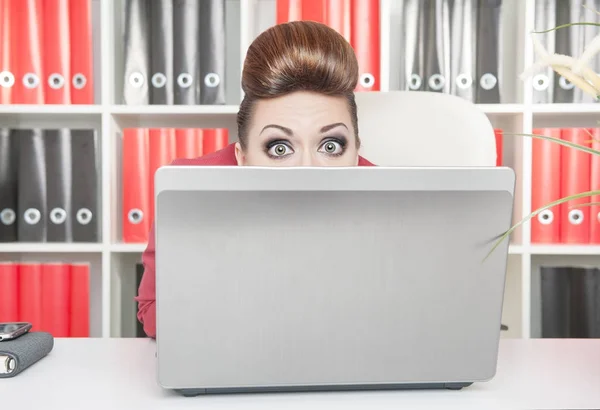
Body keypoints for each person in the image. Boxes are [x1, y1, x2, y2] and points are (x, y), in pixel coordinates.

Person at [135, 20, 376, 338]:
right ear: (242, 157)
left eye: (331, 146)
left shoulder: (382, 195)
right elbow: (153, 314)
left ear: (356, 152)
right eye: (280, 147)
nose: (308, 170)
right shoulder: (188, 189)